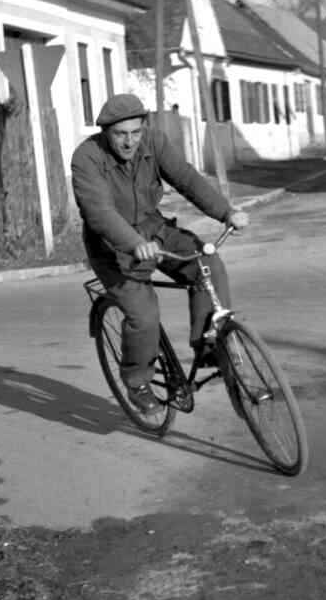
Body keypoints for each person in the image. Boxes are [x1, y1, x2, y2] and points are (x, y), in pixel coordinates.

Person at [71, 93, 249, 414]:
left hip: (155, 230)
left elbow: (187, 179)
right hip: (112, 249)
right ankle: (137, 382)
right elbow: (98, 211)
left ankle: (208, 343)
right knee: (144, 317)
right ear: (105, 132)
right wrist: (131, 241)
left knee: (206, 262)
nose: (129, 142)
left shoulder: (154, 142)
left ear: (144, 128)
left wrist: (226, 212)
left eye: (135, 133)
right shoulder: (87, 157)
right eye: (120, 134)